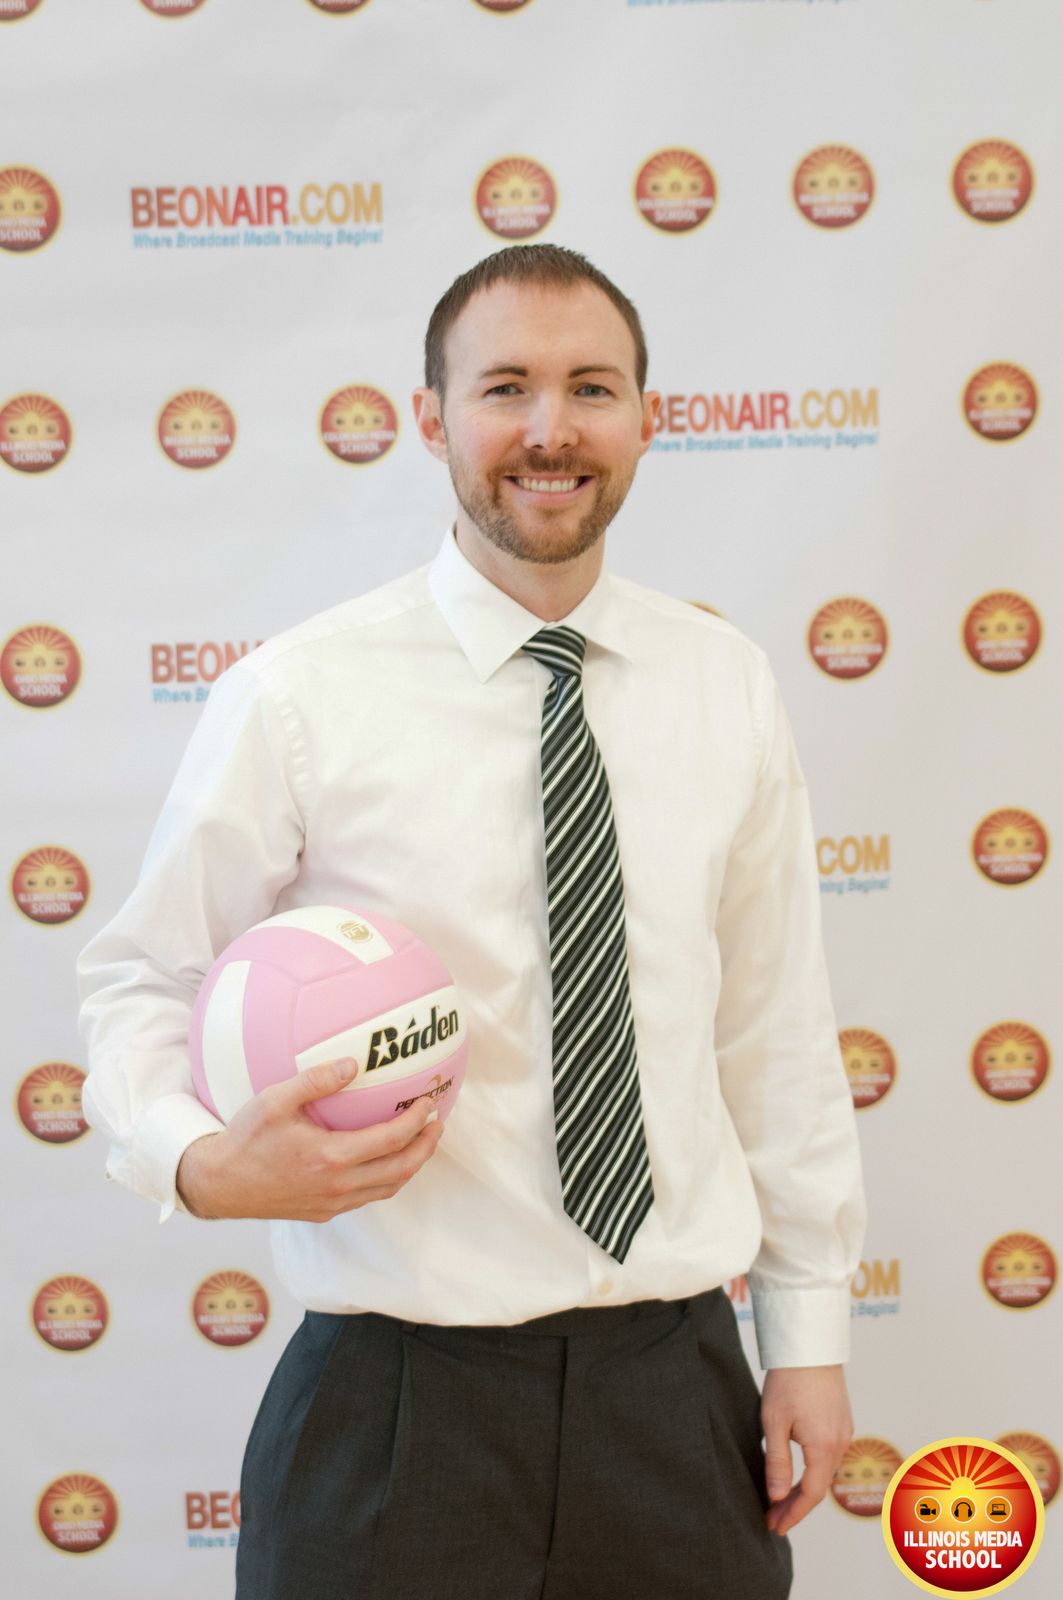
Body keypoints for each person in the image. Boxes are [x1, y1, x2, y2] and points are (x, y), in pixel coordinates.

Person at [78, 243, 866, 1600]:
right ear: (431, 419)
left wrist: (808, 1337)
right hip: (392, 1408)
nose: (551, 429)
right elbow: (144, 977)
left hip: (676, 1396)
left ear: (647, 418)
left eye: (592, 388)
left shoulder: (724, 684)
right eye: (505, 388)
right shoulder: (300, 695)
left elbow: (775, 1033)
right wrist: (199, 1164)